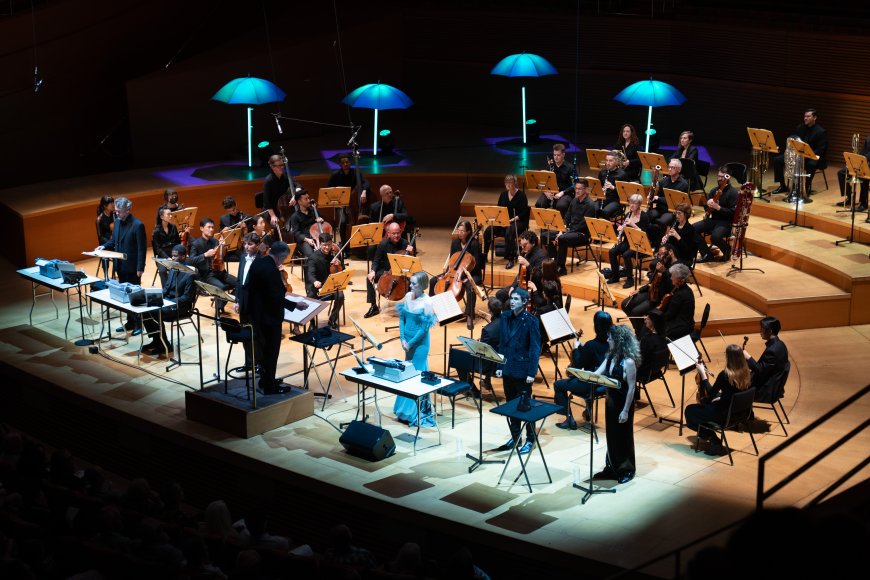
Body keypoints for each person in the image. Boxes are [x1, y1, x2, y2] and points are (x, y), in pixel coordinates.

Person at [241, 241, 307, 395]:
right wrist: (295, 305)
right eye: (284, 259)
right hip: (269, 318)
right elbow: (275, 297)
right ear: (280, 256)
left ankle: (266, 379)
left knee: (264, 350)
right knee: (271, 352)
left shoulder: (258, 262)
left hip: (256, 314)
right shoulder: (271, 270)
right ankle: (269, 386)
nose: (283, 262)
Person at [592, 324, 640, 483]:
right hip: (611, 402)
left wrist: (625, 411)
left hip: (623, 404)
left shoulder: (629, 362)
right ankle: (612, 467)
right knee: (612, 435)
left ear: (619, 341)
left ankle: (626, 469)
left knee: (623, 436)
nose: (607, 340)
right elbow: (597, 374)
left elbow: (632, 388)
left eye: (610, 338)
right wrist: (582, 375)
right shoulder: (610, 357)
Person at [495, 288, 541, 455]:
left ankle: (530, 439)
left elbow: (535, 348)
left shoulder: (531, 321)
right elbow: (502, 344)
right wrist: (500, 366)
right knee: (511, 405)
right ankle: (515, 437)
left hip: (523, 370)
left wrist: (531, 372)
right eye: (512, 298)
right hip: (508, 368)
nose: (512, 302)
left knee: (525, 407)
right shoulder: (505, 316)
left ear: (524, 302)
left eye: (516, 299)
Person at [686, 343, 752, 456]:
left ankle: (713, 439)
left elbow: (710, 395)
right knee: (715, 399)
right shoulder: (747, 373)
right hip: (741, 414)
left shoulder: (725, 375)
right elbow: (733, 393)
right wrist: (721, 397)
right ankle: (711, 436)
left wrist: (703, 375)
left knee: (690, 411)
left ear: (729, 358)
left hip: (724, 416)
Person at [553, 310, 613, 429]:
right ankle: (588, 411)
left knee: (558, 385)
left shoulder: (591, 345)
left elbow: (577, 366)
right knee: (591, 375)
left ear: (596, 326)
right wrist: (583, 349)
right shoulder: (613, 343)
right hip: (606, 385)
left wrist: (576, 349)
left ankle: (569, 419)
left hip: (590, 385)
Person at [95, 196, 147, 334]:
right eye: (116, 210)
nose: (116, 213)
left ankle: (139, 324)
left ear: (128, 210)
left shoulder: (138, 225)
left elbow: (142, 248)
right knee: (124, 295)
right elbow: (114, 241)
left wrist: (140, 267)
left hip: (133, 267)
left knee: (135, 296)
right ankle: (130, 322)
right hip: (120, 266)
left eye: (119, 211)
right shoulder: (117, 222)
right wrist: (104, 246)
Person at [393, 271, 437, 427]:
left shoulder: (427, 302)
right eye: (410, 283)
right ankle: (404, 411)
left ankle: (415, 412)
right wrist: (402, 338)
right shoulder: (407, 297)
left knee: (416, 375)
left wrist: (410, 343)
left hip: (420, 344)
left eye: (414, 284)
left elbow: (424, 329)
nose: (410, 286)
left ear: (423, 285)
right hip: (407, 342)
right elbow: (402, 318)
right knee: (407, 374)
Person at [141, 244, 198, 355]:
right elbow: (166, 289)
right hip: (168, 302)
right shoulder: (173, 269)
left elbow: (187, 298)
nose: (172, 258)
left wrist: (168, 303)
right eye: (172, 256)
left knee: (155, 312)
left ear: (183, 257)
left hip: (181, 306)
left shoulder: (190, 274)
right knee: (145, 310)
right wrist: (154, 296)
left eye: (175, 256)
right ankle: (157, 340)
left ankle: (165, 344)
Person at [429, 220, 483, 330]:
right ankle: (433, 310)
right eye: (458, 230)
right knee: (433, 280)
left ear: (468, 232)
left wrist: (467, 277)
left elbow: (477, 264)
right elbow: (452, 261)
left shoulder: (474, 244)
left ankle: (469, 315)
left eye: (462, 231)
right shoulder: (455, 242)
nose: (460, 233)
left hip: (472, 273)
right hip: (454, 272)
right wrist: (446, 273)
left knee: (470, 287)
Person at [621, 244, 674, 336]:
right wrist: (639, 290)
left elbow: (671, 286)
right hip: (652, 292)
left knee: (635, 312)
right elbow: (651, 283)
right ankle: (639, 329)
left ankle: (640, 335)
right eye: (659, 255)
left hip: (659, 298)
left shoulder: (674, 267)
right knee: (625, 304)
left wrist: (664, 272)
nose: (661, 258)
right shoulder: (661, 263)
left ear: (670, 253)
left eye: (663, 255)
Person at [771, 109, 828, 195]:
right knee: (777, 160)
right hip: (799, 155)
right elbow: (795, 141)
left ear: (815, 118)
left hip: (813, 156)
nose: (805, 118)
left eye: (808, 116)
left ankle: (805, 188)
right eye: (805, 116)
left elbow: (821, 149)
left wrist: (807, 155)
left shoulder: (821, 131)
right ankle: (783, 186)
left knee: (811, 164)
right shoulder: (800, 127)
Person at [364, 221, 414, 318]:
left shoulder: (405, 244)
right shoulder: (383, 244)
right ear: (388, 233)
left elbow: (412, 261)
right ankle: (374, 306)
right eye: (394, 233)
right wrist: (373, 271)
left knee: (414, 280)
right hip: (387, 271)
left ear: (401, 232)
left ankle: (411, 307)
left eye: (398, 233)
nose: (396, 236)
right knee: (369, 278)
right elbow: (376, 260)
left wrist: (411, 252)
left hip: (402, 272)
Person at [189, 218, 238, 312]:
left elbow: (222, 256)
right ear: (201, 228)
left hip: (220, 271)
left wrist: (222, 247)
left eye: (212, 227)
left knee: (240, 283)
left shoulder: (215, 241)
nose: (211, 229)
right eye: (209, 227)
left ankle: (222, 303)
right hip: (207, 275)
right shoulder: (195, 244)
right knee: (221, 287)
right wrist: (205, 255)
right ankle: (218, 310)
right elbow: (191, 261)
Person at [483, 174, 529, 270]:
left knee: (509, 231)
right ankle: (485, 254)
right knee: (488, 231)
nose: (508, 184)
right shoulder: (503, 194)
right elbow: (499, 209)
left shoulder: (521, 195)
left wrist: (511, 220)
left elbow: (524, 212)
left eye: (510, 182)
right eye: (506, 182)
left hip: (518, 221)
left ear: (515, 183)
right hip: (504, 221)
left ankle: (510, 258)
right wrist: (501, 221)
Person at [233, 232, 263, 372]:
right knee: (245, 332)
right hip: (243, 301)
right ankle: (249, 362)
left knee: (257, 334)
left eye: (250, 244)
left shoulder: (262, 260)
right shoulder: (243, 257)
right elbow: (239, 281)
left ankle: (259, 363)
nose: (246, 246)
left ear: (258, 245)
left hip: (256, 303)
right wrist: (237, 300)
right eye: (245, 244)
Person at [553, 179, 596, 275]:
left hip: (582, 234)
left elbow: (583, 224)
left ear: (586, 189)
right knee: (545, 235)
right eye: (576, 188)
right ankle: (555, 262)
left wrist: (566, 232)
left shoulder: (590, 205)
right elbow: (567, 217)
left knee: (562, 238)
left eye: (580, 189)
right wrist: (562, 229)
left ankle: (561, 268)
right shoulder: (574, 201)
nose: (577, 191)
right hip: (570, 231)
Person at [606, 193, 650, 289]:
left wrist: (633, 224)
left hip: (639, 244)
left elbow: (645, 234)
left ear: (639, 204)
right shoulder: (627, 215)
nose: (631, 205)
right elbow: (626, 233)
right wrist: (621, 229)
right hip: (628, 242)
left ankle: (630, 279)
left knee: (626, 254)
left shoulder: (644, 216)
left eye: (634, 203)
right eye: (630, 203)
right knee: (612, 251)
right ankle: (615, 276)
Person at [327, 153, 372, 245]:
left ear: (350, 162)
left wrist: (364, 191)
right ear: (340, 164)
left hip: (354, 204)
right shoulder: (335, 175)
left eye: (347, 162)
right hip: (341, 204)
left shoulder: (356, 173)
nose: (345, 164)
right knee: (343, 221)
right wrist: (337, 200)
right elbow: (329, 188)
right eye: (343, 163)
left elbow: (366, 183)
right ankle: (344, 244)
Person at [696, 167, 738, 262]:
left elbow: (733, 213)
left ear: (728, 177)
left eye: (722, 177)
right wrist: (707, 204)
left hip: (726, 222)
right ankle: (707, 255)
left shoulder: (733, 193)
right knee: (692, 229)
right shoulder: (713, 190)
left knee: (715, 237)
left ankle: (727, 250)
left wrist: (719, 208)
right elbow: (707, 209)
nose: (719, 179)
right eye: (718, 176)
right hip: (713, 220)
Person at [744, 316, 789, 404]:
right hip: (773, 385)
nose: (760, 332)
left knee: (736, 387)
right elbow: (765, 368)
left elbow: (760, 370)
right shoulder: (780, 344)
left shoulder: (772, 350)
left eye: (762, 329)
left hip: (766, 391)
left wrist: (748, 357)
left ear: (770, 331)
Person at [306, 232, 344, 330]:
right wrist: (315, 281)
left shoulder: (333, 255)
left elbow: (341, 271)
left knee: (340, 295)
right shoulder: (313, 258)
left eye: (329, 245)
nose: (327, 248)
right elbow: (310, 273)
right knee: (310, 297)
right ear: (320, 244)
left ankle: (332, 320)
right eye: (324, 245)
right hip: (317, 287)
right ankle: (312, 323)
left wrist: (339, 264)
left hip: (329, 286)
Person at [649, 158, 690, 241]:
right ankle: (650, 239)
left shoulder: (683, 184)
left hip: (672, 211)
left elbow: (676, 202)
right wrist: (652, 197)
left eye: (673, 167)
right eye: (669, 167)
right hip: (660, 208)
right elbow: (658, 196)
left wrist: (658, 198)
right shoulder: (663, 181)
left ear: (679, 170)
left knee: (662, 221)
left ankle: (658, 243)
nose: (670, 169)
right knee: (647, 216)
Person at [506, 230, 548, 306]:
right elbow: (520, 274)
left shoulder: (541, 256)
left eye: (525, 245)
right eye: (521, 245)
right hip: (522, 285)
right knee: (500, 294)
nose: (522, 247)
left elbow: (538, 277)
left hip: (532, 289)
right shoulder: (525, 252)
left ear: (533, 243)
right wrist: (513, 286)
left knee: (508, 303)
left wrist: (528, 264)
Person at [537, 143, 576, 215]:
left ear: (563, 154)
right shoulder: (550, 166)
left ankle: (562, 221)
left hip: (565, 193)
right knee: (539, 203)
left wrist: (562, 193)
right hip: (550, 192)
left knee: (561, 206)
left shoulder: (570, 168)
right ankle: (543, 221)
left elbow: (575, 184)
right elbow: (543, 182)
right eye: (554, 155)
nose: (556, 157)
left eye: (558, 155)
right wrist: (546, 192)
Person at [262, 153, 298, 232]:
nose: (282, 167)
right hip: (271, 210)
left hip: (283, 207)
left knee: (295, 220)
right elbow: (267, 202)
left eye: (282, 165)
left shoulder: (284, 176)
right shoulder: (268, 181)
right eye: (279, 165)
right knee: (276, 225)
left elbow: (297, 185)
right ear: (272, 167)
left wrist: (295, 195)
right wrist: (273, 216)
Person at [660, 262, 695, 340]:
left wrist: (655, 318)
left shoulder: (680, 294)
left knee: (654, 330)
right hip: (685, 322)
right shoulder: (685, 289)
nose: (671, 278)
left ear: (679, 278)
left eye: (672, 276)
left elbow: (669, 315)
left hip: (681, 327)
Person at [837, 134, 870, 212]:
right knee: (841, 173)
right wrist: (855, 160)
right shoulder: (868, 138)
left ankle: (863, 203)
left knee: (863, 176)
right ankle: (849, 198)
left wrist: (865, 159)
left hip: (868, 164)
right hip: (864, 163)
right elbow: (862, 153)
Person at [289, 189, 323, 259]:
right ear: (299, 202)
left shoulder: (314, 211)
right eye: (306, 199)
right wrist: (307, 239)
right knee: (310, 255)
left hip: (317, 237)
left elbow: (322, 224)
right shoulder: (295, 217)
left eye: (308, 198)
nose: (309, 200)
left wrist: (322, 220)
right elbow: (296, 233)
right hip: (304, 240)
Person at [660, 202, 697, 266]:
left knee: (668, 267)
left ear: (685, 215)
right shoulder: (674, 225)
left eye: (679, 213)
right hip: (673, 254)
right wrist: (666, 239)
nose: (677, 216)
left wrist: (678, 237)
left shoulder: (690, 229)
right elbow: (671, 243)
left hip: (684, 258)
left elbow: (687, 251)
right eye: (676, 213)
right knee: (653, 264)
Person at [153, 207, 181, 288]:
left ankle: (178, 288)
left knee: (184, 267)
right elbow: (157, 249)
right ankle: (166, 291)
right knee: (162, 271)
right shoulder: (156, 231)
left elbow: (178, 243)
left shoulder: (173, 227)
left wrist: (175, 255)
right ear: (162, 217)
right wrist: (167, 257)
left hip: (174, 253)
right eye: (168, 214)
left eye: (171, 214)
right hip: (162, 256)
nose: (171, 216)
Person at [598, 151, 627, 219]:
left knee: (605, 211)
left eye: (610, 161)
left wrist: (613, 187)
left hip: (616, 200)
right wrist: (601, 190)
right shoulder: (602, 173)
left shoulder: (622, 174)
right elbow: (598, 187)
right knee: (592, 208)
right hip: (603, 198)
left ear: (616, 162)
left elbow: (625, 193)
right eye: (607, 160)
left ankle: (606, 225)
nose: (608, 163)